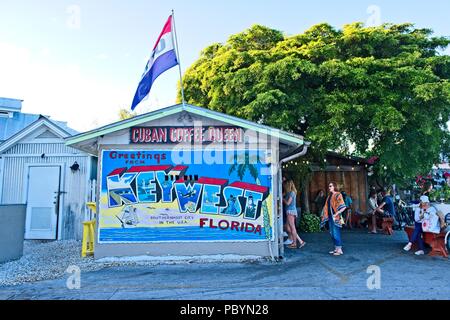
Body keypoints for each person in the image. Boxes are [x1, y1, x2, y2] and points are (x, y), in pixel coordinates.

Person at [321, 182, 347, 256]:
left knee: (336, 233)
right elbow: (326, 207)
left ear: (334, 186)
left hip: (335, 217)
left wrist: (336, 214)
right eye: (329, 186)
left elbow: (343, 206)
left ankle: (339, 250)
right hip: (329, 216)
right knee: (332, 233)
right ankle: (336, 248)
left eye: (330, 186)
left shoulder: (338, 194)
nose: (329, 187)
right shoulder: (329, 196)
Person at [283, 180, 306, 249]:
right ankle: (300, 241)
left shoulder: (292, 193)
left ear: (288, 185)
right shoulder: (289, 193)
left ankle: (294, 243)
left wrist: (283, 199)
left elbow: (288, 203)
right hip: (289, 211)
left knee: (292, 227)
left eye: (285, 185)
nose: (284, 186)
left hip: (291, 211)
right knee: (287, 227)